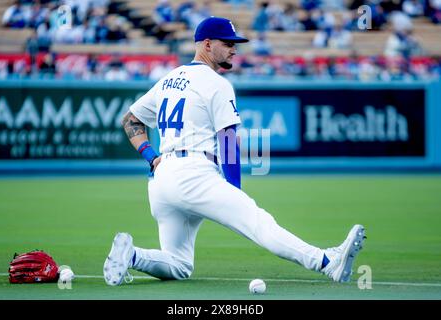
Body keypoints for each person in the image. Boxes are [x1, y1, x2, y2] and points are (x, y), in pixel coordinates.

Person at [103, 16, 366, 286]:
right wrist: (235, 191)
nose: (234, 49)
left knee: (179, 264)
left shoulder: (169, 79)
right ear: (207, 44)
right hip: (195, 174)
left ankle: (131, 256)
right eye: (227, 43)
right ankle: (326, 262)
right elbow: (228, 140)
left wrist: (151, 156)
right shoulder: (216, 83)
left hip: (162, 180)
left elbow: (130, 120)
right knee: (257, 221)